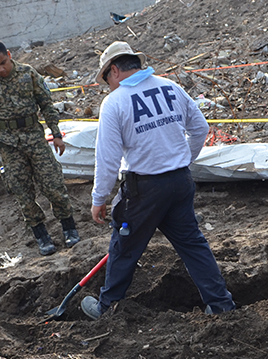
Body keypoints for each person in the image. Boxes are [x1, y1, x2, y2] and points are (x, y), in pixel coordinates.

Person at [80, 41, 235, 320]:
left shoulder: (114, 102)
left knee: (124, 247)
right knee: (192, 244)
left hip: (144, 189)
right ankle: (221, 304)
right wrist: (181, 162)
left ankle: (106, 307)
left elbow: (107, 158)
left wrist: (98, 198)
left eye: (107, 80)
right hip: (180, 183)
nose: (108, 86)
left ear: (113, 70)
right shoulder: (170, 87)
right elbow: (200, 128)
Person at [0, 39, 79, 256]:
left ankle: (69, 228)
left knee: (53, 185)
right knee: (22, 192)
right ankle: (41, 235)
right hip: (9, 146)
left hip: (35, 139)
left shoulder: (28, 74)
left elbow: (46, 104)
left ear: (9, 54)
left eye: (3, 62)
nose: (0, 69)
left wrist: (56, 134)